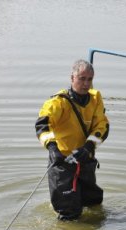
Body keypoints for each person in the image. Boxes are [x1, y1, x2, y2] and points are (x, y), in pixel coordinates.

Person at [35, 59, 109, 221]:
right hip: (62, 162)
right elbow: (42, 126)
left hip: (85, 159)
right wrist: (53, 148)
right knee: (69, 213)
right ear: (72, 78)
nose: (86, 84)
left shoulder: (95, 99)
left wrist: (89, 146)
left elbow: (102, 126)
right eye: (82, 79)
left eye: (89, 79)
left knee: (93, 203)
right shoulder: (58, 102)